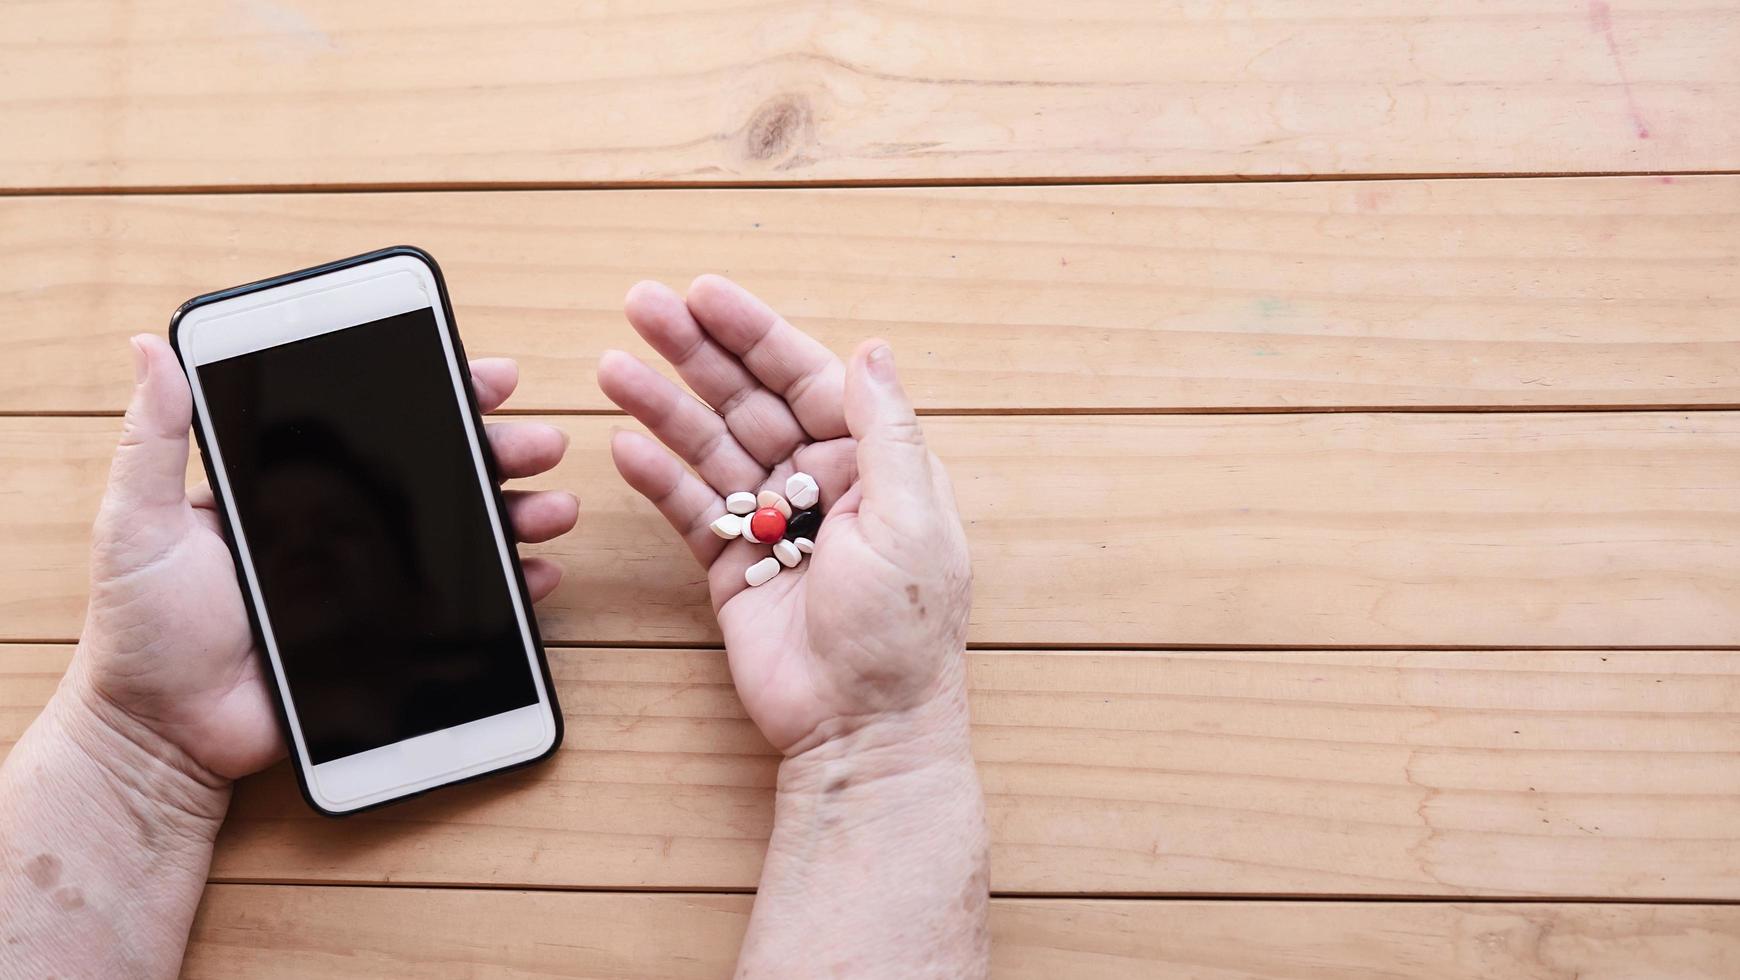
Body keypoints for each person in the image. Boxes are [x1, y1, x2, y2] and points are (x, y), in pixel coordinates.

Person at [0, 276, 990, 978]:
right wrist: (134, 733)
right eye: (276, 531)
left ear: (399, 550)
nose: (299, 553)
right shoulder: (199, 680)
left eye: (336, 527)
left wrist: (878, 727)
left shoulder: (471, 662)